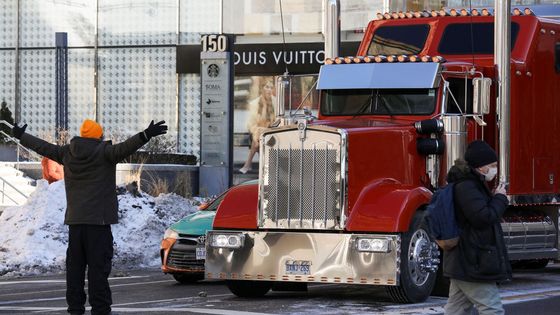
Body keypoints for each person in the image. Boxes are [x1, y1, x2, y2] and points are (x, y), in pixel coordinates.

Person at [12, 119, 167, 315]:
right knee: (98, 270)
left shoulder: (67, 153)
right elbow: (127, 147)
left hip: (76, 224)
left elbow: (43, 147)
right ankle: (100, 309)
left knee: (75, 271)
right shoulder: (104, 153)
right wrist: (146, 134)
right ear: (97, 136)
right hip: (98, 224)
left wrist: (21, 136)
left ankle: (75, 309)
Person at [443, 140, 511, 315]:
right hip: (473, 259)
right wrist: (500, 198)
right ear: (481, 167)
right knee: (492, 309)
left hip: (464, 259)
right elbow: (483, 217)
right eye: (492, 165)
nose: (495, 170)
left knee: (456, 309)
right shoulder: (467, 186)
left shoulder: (469, 184)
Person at [239, 77, 276, 174]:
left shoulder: (276, 102)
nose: (269, 90)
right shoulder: (255, 103)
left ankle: (248, 164)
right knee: (257, 136)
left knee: (257, 139)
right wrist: (259, 129)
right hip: (258, 134)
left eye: (271, 87)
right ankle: (263, 168)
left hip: (272, 132)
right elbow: (251, 124)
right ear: (262, 88)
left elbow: (277, 121)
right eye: (267, 87)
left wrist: (266, 129)